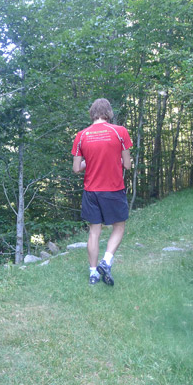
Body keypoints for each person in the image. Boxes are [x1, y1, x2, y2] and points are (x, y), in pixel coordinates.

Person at [71, 98, 132, 286]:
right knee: (119, 226)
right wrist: (120, 162)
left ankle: (93, 274)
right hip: (113, 188)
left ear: (92, 113)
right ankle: (106, 262)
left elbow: (76, 168)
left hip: (91, 190)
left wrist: (90, 161)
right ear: (108, 113)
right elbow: (128, 165)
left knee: (94, 232)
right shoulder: (119, 132)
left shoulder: (81, 135)